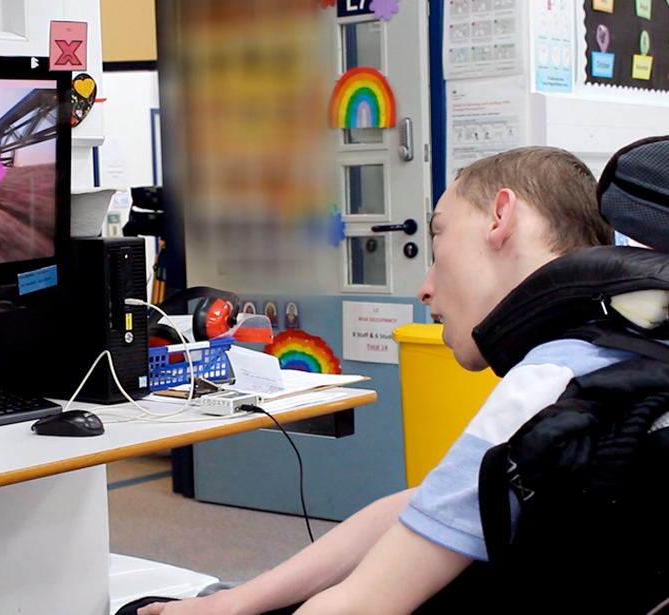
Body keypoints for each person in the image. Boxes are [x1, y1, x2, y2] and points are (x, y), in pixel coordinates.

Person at [136, 146, 614, 615]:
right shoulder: (611, 354)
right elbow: (428, 505)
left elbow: (365, 603)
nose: (424, 286)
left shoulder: (548, 384)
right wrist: (236, 602)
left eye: (438, 238)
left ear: (500, 217)